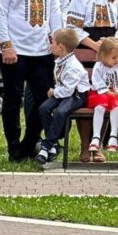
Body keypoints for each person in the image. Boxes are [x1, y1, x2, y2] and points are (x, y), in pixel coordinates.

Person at [0, 0, 63, 161]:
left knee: (44, 100)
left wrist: (58, 39)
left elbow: (54, 10)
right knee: (13, 98)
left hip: (42, 49)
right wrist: (6, 45)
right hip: (15, 49)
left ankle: (29, 143)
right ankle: (13, 147)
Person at [35, 28, 91, 165]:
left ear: (61, 46)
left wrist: (54, 92)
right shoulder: (61, 60)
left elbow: (68, 91)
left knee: (61, 112)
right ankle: (54, 143)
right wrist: (55, 92)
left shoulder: (73, 66)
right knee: (44, 108)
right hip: (63, 92)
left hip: (76, 94)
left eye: (52, 43)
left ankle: (46, 146)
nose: (50, 45)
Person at [86, 38, 118, 158]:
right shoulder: (99, 66)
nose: (117, 60)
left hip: (114, 96)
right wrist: (112, 93)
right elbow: (97, 84)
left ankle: (113, 136)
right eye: (114, 57)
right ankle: (96, 137)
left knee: (116, 107)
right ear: (103, 56)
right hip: (99, 95)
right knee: (100, 107)